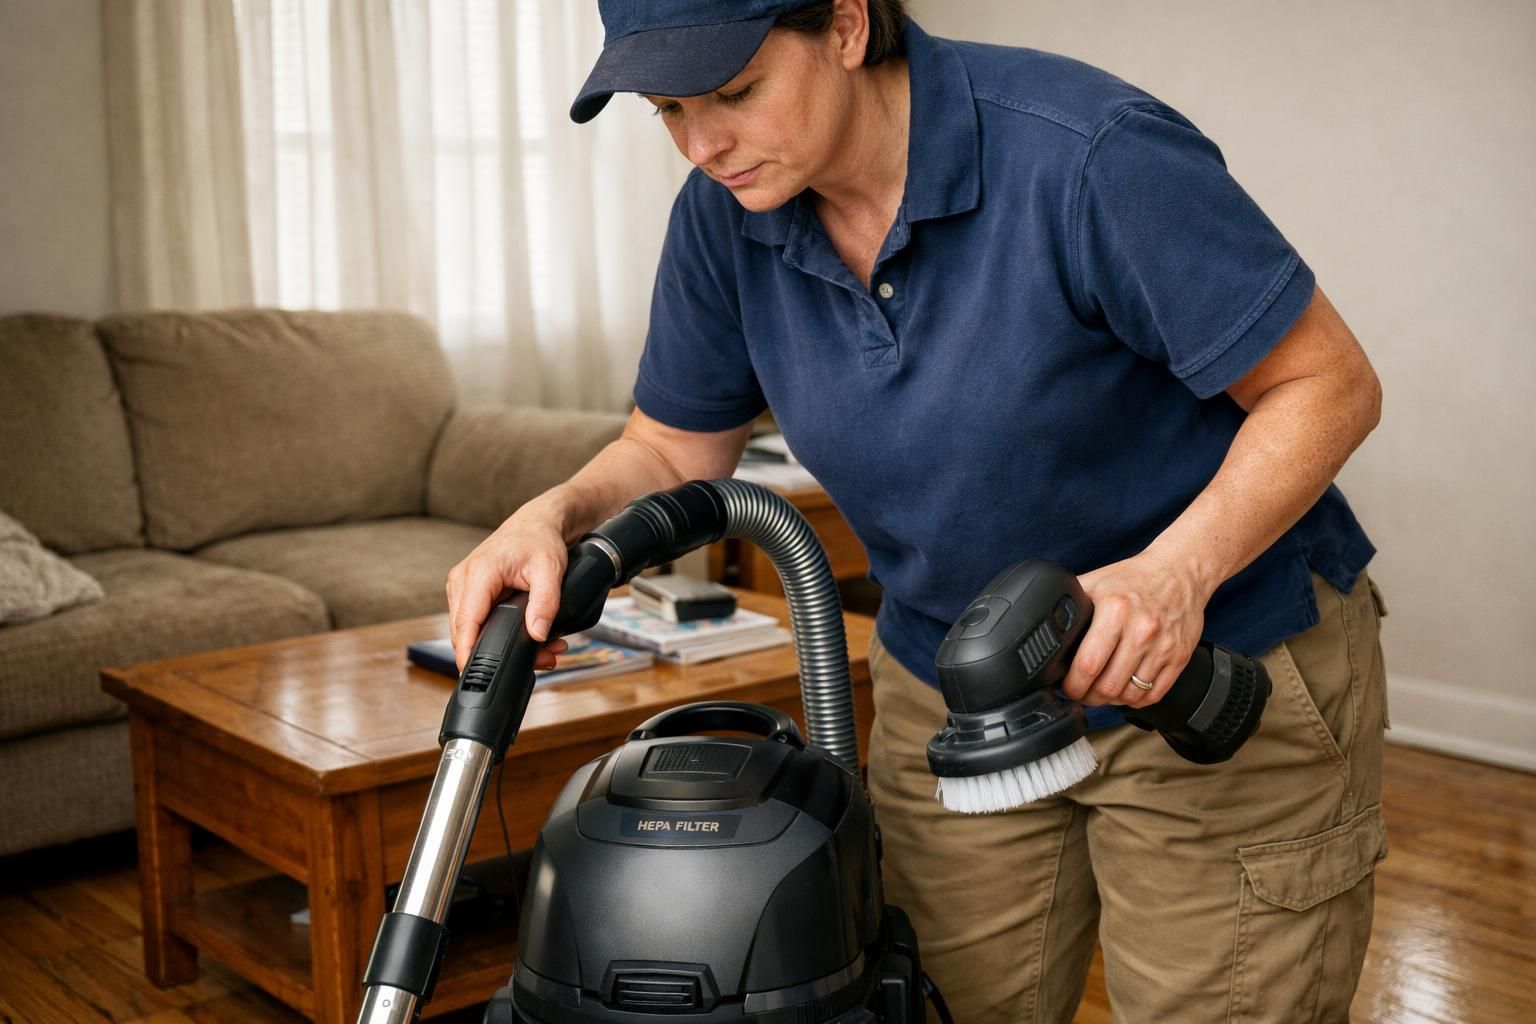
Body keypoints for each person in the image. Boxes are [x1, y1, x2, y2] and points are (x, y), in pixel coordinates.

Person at [447, 1, 1390, 1020]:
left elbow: (1327, 383)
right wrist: (557, 510)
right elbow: (673, 446)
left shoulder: (1086, 157)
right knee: (933, 1005)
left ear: (848, 24)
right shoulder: (728, 216)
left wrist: (1176, 574)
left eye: (734, 92)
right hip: (960, 694)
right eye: (668, 108)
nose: (701, 141)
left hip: (1211, 666)